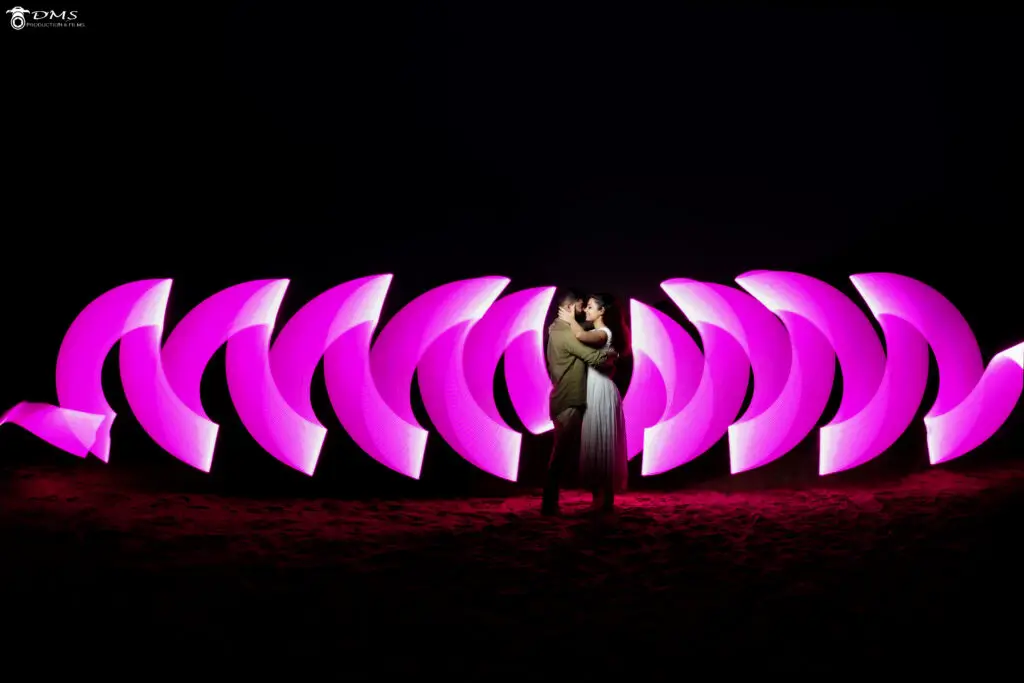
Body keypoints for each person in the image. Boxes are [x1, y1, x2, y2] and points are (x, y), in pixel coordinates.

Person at [542, 289, 615, 516]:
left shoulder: (558, 328)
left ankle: (555, 503)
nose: (584, 311)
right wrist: (614, 353)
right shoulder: (563, 333)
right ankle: (549, 505)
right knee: (561, 455)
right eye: (582, 306)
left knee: (574, 452)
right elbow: (593, 357)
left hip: (566, 398)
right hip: (568, 400)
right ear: (572, 307)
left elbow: (585, 331)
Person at [557, 292, 630, 512]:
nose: (586, 310)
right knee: (596, 442)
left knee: (601, 443)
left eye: (590, 306)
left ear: (602, 311)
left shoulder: (603, 333)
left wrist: (570, 320)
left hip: (600, 392)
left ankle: (604, 499)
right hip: (595, 390)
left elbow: (580, 337)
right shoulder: (603, 333)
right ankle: (600, 498)